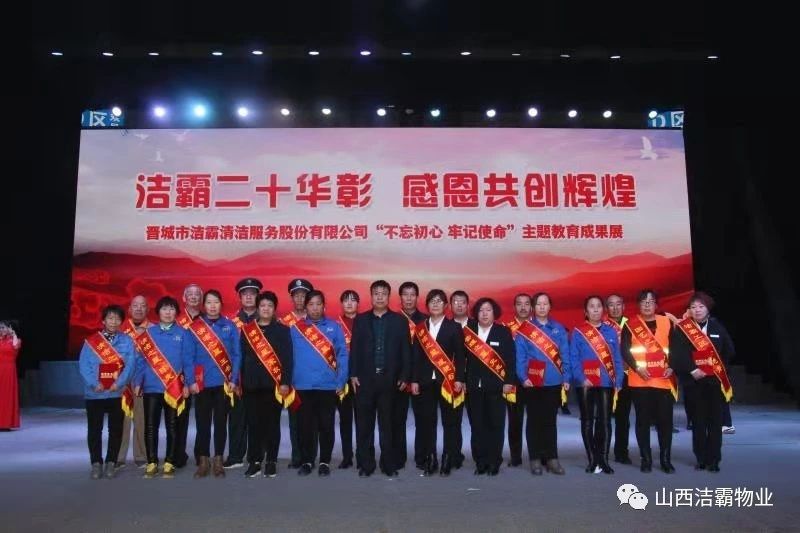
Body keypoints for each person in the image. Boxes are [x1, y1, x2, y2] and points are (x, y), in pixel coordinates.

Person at [349, 280, 412, 477]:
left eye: (383, 293)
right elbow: (355, 349)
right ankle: (366, 465)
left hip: (390, 380)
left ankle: (388, 464)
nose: (379, 297)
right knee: (364, 425)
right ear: (371, 296)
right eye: (376, 293)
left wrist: (404, 375)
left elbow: (406, 351)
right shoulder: (360, 320)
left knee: (388, 425)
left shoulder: (399, 321)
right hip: (365, 380)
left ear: (389, 296)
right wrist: (353, 374)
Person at [670, 292, 735, 472]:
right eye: (693, 307)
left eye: (701, 306)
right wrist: (692, 369)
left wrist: (719, 368)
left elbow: (729, 350)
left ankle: (714, 460)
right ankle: (701, 458)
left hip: (714, 382)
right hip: (693, 382)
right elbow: (677, 354)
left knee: (715, 422)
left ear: (708, 308)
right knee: (698, 422)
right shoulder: (682, 329)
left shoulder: (717, 327)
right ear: (689, 310)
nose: (697, 310)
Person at [133, 296, 194, 478]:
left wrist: (188, 383)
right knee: (150, 426)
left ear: (176, 312)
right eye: (164, 309)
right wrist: (138, 382)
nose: (168, 312)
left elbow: (188, 361)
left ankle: (169, 462)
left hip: (174, 388)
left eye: (171, 309)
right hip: (152, 387)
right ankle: (152, 462)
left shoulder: (184, 334)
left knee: (172, 426)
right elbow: (141, 361)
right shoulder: (148, 334)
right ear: (158, 312)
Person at [290, 290, 349, 477]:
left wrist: (341, 380)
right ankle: (307, 461)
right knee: (305, 426)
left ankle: (324, 461)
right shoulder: (295, 329)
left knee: (326, 426)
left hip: (327, 386)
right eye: (311, 304)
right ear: (305, 307)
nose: (315, 308)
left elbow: (342, 355)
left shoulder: (334, 327)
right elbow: (289, 358)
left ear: (324, 306)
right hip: (302, 386)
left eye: (318, 304)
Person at [621, 289, 677, 473]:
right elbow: (625, 350)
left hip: (663, 379)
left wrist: (672, 366)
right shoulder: (631, 325)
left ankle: (665, 459)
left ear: (656, 305)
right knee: (642, 421)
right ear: (638, 305)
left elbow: (676, 348)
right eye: (644, 302)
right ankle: (646, 458)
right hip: (640, 380)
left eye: (651, 301)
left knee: (665, 422)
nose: (647, 305)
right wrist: (637, 368)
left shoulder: (667, 322)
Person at [410, 289, 465, 476]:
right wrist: (414, 380)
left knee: (450, 423)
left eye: (439, 301)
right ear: (427, 305)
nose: (435, 304)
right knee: (427, 423)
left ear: (446, 305)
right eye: (432, 301)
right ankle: (430, 457)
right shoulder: (420, 328)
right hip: (425, 382)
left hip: (447, 382)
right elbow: (416, 357)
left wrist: (459, 379)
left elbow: (460, 356)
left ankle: (448, 457)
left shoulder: (454, 327)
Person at [515, 292, 571, 475]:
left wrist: (567, 377)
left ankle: (552, 458)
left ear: (550, 307)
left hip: (554, 382)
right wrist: (523, 377)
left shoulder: (559, 329)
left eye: (545, 304)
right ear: (533, 307)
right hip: (532, 382)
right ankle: (535, 459)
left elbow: (565, 355)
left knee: (550, 422)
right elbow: (520, 357)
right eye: (538, 304)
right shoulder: (525, 329)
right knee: (533, 421)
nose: (541, 307)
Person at [187, 290, 242, 478]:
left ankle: (218, 459)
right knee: (202, 424)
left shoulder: (229, 326)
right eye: (209, 302)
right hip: (201, 384)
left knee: (220, 423)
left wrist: (234, 379)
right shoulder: (195, 328)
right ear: (204, 305)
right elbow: (188, 357)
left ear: (221, 304)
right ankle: (204, 461)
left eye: (216, 302)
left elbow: (237, 355)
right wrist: (191, 381)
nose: (212, 306)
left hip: (223, 384)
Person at [240, 291, 294, 478]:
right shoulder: (247, 330)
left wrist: (285, 382)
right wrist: (239, 381)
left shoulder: (282, 330)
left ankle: (271, 460)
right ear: (257, 308)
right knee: (253, 425)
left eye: (270, 306)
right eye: (262, 305)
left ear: (274, 309)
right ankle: (254, 461)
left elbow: (287, 359)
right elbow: (241, 358)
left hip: (274, 386)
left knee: (272, 425)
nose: (266, 309)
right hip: (251, 385)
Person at [77, 306, 136, 479]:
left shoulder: (127, 341)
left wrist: (119, 383)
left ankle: (111, 462)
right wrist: (94, 384)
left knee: (115, 430)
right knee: (95, 430)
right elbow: (84, 365)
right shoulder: (91, 341)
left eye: (117, 319)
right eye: (110, 318)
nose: (114, 322)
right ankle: (96, 463)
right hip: (95, 393)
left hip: (116, 393)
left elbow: (130, 365)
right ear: (103, 321)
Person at [569, 296, 624, 474]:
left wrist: (618, 380)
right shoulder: (578, 332)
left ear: (603, 310)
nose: (595, 309)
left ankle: (604, 459)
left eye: (598, 306)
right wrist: (580, 378)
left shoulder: (611, 331)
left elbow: (617, 358)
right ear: (586, 311)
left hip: (606, 381)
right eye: (591, 307)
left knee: (605, 421)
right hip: (585, 382)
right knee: (587, 420)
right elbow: (573, 358)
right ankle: (592, 459)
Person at [464, 297, 516, 475]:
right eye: (481, 310)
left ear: (495, 313)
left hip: (496, 386)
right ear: (476, 313)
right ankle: (480, 461)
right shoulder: (468, 332)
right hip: (473, 386)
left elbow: (510, 359)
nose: (484, 314)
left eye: (488, 310)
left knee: (495, 425)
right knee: (477, 425)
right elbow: (462, 359)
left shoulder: (503, 332)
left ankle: (494, 461)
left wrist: (508, 381)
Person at [224, 277, 263, 469]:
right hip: (237, 376)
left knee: (259, 418)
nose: (248, 297)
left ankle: (258, 456)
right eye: (245, 294)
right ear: (239, 297)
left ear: (258, 297)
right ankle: (236, 456)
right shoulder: (230, 322)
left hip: (260, 376)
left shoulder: (266, 320)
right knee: (237, 418)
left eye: (252, 294)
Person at [280, 278, 314, 469]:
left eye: (303, 296)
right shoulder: (284, 323)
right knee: (294, 420)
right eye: (297, 295)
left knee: (312, 420)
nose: (300, 299)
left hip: (312, 378)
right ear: (291, 298)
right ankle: (297, 456)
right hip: (292, 378)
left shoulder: (315, 321)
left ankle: (310, 456)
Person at [117, 295, 150, 469]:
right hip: (122, 381)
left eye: (142, 305)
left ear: (147, 309)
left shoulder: (153, 330)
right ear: (129, 309)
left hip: (143, 381)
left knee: (141, 419)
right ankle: (118, 456)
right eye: (135, 305)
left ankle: (141, 455)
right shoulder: (119, 328)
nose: (138, 308)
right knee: (121, 419)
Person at [398, 281, 427, 471]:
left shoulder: (426, 321)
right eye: (405, 294)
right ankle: (398, 457)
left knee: (422, 420)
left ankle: (422, 457)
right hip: (399, 377)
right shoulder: (393, 319)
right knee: (397, 420)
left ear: (417, 297)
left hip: (420, 377)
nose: (409, 298)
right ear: (400, 297)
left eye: (412, 295)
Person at [174, 284, 203, 468]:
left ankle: (201, 453)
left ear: (201, 299)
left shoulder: (207, 320)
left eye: (196, 294)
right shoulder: (176, 321)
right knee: (180, 416)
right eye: (190, 294)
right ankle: (178, 454)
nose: (193, 297)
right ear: (184, 298)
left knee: (202, 416)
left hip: (203, 374)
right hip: (181, 374)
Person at [502, 293, 531, 467]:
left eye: (527, 304)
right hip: (513, 380)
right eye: (519, 304)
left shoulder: (538, 328)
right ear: (514, 307)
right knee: (515, 420)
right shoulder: (506, 329)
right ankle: (515, 456)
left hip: (535, 379)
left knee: (537, 420)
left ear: (531, 307)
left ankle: (539, 455)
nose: (523, 307)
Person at [605, 294, 633, 464]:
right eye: (611, 305)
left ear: (624, 306)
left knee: (623, 417)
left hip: (628, 375)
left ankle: (622, 452)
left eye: (618, 304)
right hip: (607, 376)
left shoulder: (633, 325)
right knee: (604, 417)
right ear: (606, 308)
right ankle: (601, 453)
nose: (615, 308)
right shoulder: (601, 326)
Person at [336, 289, 360, 469]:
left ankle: (362, 454)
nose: (349, 303)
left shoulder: (365, 322)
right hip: (342, 378)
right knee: (345, 419)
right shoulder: (335, 325)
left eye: (353, 300)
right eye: (346, 300)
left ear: (358, 303)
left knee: (363, 419)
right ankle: (347, 456)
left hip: (361, 378)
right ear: (342, 304)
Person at [0, 321, 21, 431]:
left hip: (9, 371)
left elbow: (15, 347)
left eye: (3, 327)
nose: (1, 330)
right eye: (0, 328)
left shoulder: (14, 340)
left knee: (7, 396)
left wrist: (13, 334)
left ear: (9, 328)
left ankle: (6, 423)